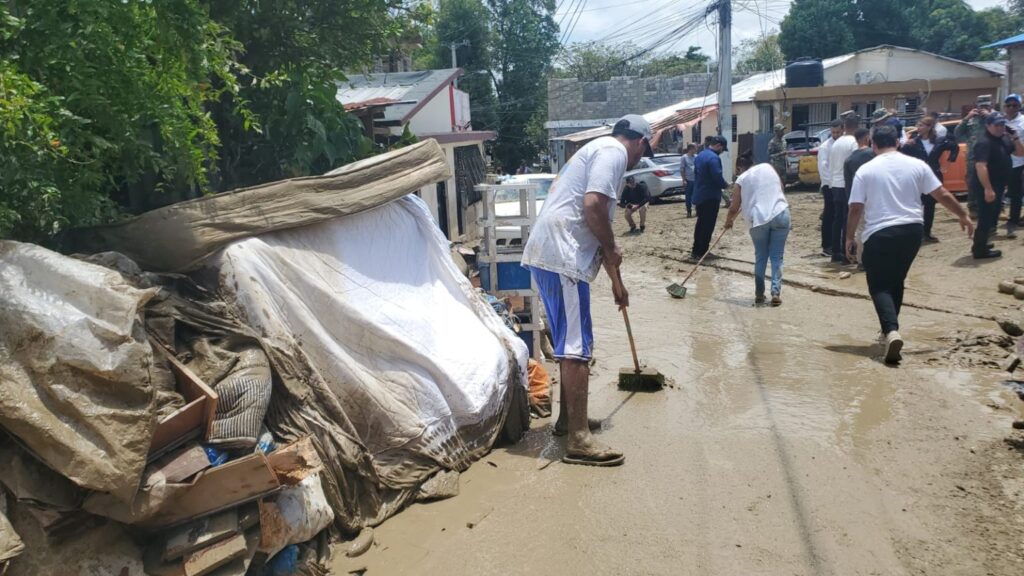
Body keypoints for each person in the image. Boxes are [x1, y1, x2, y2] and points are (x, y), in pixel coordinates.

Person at [522, 114, 651, 467]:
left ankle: (567, 422)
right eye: (644, 150)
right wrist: (612, 249)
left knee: (569, 342)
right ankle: (579, 439)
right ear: (640, 142)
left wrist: (617, 285)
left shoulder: (598, 150)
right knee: (577, 347)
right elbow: (593, 207)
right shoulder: (614, 153)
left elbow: (600, 228)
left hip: (553, 254)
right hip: (563, 256)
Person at [847, 126, 974, 365]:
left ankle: (891, 331)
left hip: (880, 233)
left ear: (873, 145)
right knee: (896, 280)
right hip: (913, 231)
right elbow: (942, 193)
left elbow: (855, 208)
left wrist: (849, 237)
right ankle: (889, 332)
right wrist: (963, 214)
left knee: (879, 286)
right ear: (898, 142)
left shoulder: (866, 170)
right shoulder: (917, 165)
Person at [723, 155, 791, 306]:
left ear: (740, 167)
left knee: (761, 257)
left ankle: (759, 294)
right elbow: (780, 187)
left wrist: (728, 222)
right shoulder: (768, 167)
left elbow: (734, 207)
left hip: (758, 219)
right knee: (777, 257)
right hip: (781, 213)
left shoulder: (741, 179)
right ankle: (775, 292)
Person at [971, 112, 1024, 259]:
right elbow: (981, 166)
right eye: (996, 125)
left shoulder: (1004, 139)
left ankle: (982, 243)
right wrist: (988, 188)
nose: (1000, 128)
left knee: (991, 216)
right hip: (986, 186)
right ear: (988, 126)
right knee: (985, 217)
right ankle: (979, 250)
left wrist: (1015, 137)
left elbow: (1020, 153)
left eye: (1002, 124)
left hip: (998, 185)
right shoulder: (984, 142)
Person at [900, 116, 960, 243]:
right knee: (916, 204)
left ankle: (927, 232)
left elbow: (954, 146)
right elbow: (901, 155)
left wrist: (948, 163)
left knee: (930, 205)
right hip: (917, 177)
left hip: (933, 175)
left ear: (929, 127)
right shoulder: (913, 142)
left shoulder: (939, 141)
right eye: (918, 125)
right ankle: (916, 232)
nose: (919, 128)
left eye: (922, 125)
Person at [827, 115, 860, 264]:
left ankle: (836, 252)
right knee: (848, 219)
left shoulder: (836, 143)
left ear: (844, 127)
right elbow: (855, 164)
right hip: (847, 185)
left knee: (838, 219)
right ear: (857, 126)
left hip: (835, 184)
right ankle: (847, 254)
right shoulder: (854, 143)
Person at [691, 135, 729, 260]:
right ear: (719, 146)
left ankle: (696, 250)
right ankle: (703, 252)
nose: (722, 152)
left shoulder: (700, 155)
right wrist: (725, 185)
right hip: (710, 196)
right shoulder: (714, 158)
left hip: (700, 194)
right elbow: (717, 177)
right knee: (708, 225)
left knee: (701, 223)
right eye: (722, 149)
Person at [957, 95, 994, 218]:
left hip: (992, 156)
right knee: (972, 182)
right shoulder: (972, 119)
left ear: (990, 105)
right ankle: (973, 207)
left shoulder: (995, 117)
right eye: (981, 106)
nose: (983, 108)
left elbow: (1003, 129)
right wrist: (967, 118)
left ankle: (996, 207)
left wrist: (990, 116)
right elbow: (957, 133)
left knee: (993, 181)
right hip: (974, 156)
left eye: (986, 106)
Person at [818, 120, 842, 257]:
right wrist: (831, 185)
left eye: (838, 132)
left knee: (838, 215)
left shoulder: (843, 143)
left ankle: (836, 243)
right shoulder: (826, 147)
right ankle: (827, 245)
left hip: (839, 185)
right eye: (833, 132)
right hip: (829, 185)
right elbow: (824, 168)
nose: (836, 134)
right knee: (829, 214)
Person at [1002, 94, 1024, 237]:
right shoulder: (999, 121)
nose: (1011, 108)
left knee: (1016, 195)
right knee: (997, 192)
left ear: (1019, 106)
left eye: (1014, 105)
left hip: (1019, 163)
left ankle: (1013, 222)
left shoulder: (1023, 122)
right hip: (1000, 161)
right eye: (1008, 105)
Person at [681, 143, 697, 218]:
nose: (696, 150)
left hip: (696, 179)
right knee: (688, 196)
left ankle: (697, 210)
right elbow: (682, 169)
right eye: (695, 148)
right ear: (691, 149)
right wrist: (684, 179)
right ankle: (689, 211)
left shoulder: (696, 157)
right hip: (688, 179)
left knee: (697, 195)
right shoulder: (684, 157)